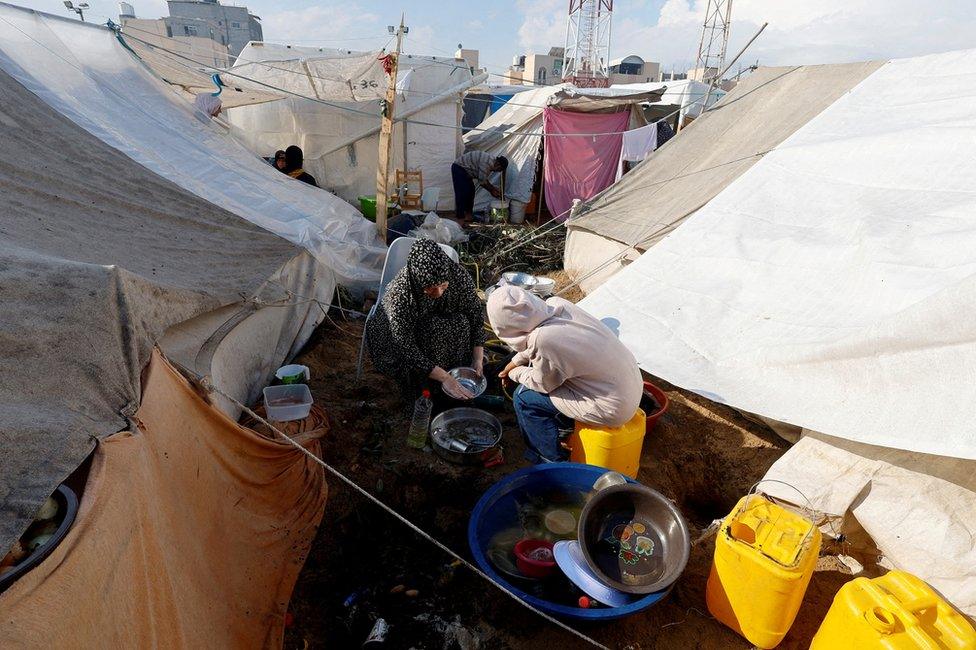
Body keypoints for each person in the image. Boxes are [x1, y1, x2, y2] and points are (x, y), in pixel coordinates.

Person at [487, 285, 643, 464]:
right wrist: (513, 362)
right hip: (629, 385)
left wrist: (515, 373)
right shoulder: (557, 306)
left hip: (612, 407)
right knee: (556, 382)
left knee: (524, 398)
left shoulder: (543, 339)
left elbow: (543, 384)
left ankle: (548, 459)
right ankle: (564, 426)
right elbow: (538, 346)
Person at [366, 239, 486, 399]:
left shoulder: (457, 275)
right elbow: (404, 344)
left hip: (435, 322)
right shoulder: (401, 293)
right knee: (432, 331)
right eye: (429, 287)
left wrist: (477, 359)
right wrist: (445, 377)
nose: (438, 293)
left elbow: (476, 315)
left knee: (462, 323)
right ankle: (430, 383)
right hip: (396, 337)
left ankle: (452, 371)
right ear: (417, 279)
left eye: (443, 286)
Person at [451, 151, 508, 222]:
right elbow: (482, 182)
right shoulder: (486, 164)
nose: (495, 171)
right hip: (459, 168)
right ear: (498, 165)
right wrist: (492, 190)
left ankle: (469, 215)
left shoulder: (491, 161)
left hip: (466, 171)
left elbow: (484, 179)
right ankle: (460, 218)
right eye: (498, 170)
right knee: (462, 192)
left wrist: (492, 189)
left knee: (471, 191)